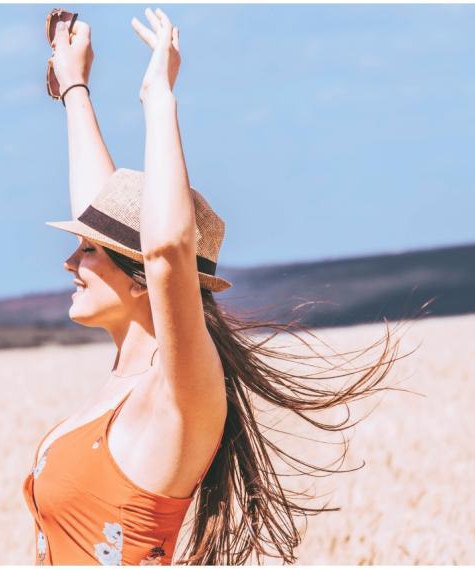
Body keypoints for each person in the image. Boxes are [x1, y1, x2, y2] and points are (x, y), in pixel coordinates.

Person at [23, 6, 423, 565]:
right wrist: (74, 87)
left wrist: (158, 96)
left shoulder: (181, 389)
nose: (69, 262)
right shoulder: (126, 380)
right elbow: (111, 223)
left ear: (144, 282)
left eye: (87, 251)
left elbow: (164, 252)